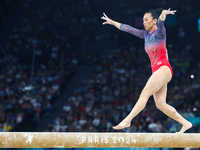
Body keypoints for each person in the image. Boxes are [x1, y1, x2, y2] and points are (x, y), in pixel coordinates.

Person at [101, 8, 192, 133]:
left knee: (144, 94)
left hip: (163, 68)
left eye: (146, 20)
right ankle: (185, 123)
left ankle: (128, 120)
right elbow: (128, 29)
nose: (144, 22)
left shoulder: (160, 32)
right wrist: (112, 22)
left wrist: (163, 15)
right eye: (143, 20)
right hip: (158, 72)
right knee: (160, 104)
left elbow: (161, 22)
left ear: (154, 21)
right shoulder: (145, 35)